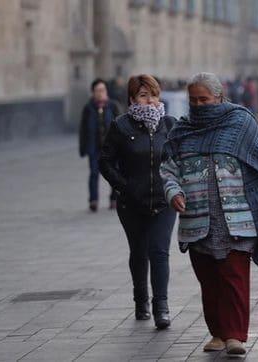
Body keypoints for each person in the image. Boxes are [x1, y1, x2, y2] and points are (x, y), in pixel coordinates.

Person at [161, 72, 258, 356]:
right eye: (193, 100)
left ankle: (235, 335)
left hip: (237, 218)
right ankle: (218, 334)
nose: (199, 105)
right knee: (209, 280)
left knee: (233, 277)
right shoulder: (181, 132)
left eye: (204, 99)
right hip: (197, 219)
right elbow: (169, 169)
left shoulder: (240, 123)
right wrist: (173, 192)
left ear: (219, 97)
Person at [99, 74, 177, 329]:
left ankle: (161, 307)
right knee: (139, 251)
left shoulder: (170, 125)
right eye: (144, 95)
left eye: (153, 94)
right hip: (131, 204)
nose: (150, 101)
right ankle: (141, 299)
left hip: (163, 202)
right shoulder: (121, 126)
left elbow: (181, 159)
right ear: (132, 98)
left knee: (160, 251)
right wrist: (124, 186)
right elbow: (105, 162)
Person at [79, 78, 120, 212]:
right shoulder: (88, 108)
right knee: (94, 173)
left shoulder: (113, 106)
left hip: (111, 148)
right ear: (93, 92)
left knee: (113, 173)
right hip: (94, 148)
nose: (100, 93)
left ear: (106, 91)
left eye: (102, 90)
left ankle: (114, 199)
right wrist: (83, 148)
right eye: (97, 90)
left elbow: (120, 126)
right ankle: (93, 200)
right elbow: (83, 129)